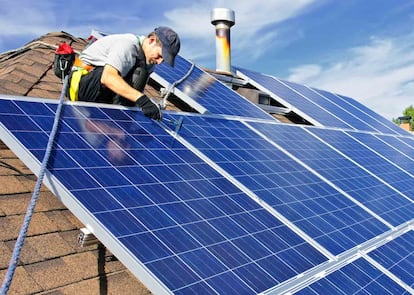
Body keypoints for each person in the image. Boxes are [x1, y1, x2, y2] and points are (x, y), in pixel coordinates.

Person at [67, 26, 180, 121]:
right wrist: (142, 100)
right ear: (151, 40)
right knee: (130, 76)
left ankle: (118, 120)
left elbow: (136, 90)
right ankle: (107, 118)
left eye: (163, 59)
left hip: (99, 87)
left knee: (141, 74)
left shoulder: (148, 63)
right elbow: (107, 77)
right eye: (160, 55)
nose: (160, 62)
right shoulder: (128, 44)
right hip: (81, 83)